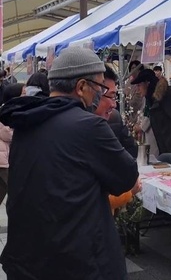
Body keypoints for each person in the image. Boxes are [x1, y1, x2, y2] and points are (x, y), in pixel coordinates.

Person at [0, 47, 139, 279]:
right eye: (100, 88)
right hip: (79, 263)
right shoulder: (90, 127)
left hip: (28, 259)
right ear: (82, 87)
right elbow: (127, 178)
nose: (101, 94)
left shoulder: (26, 121)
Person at [97, 65, 138, 158]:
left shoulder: (114, 118)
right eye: (111, 96)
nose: (114, 104)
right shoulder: (76, 125)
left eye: (115, 97)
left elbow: (132, 149)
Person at [0, 83, 25, 207]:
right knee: (10, 190)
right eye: (23, 94)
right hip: (2, 160)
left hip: (7, 158)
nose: (26, 96)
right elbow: (7, 134)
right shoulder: (5, 111)